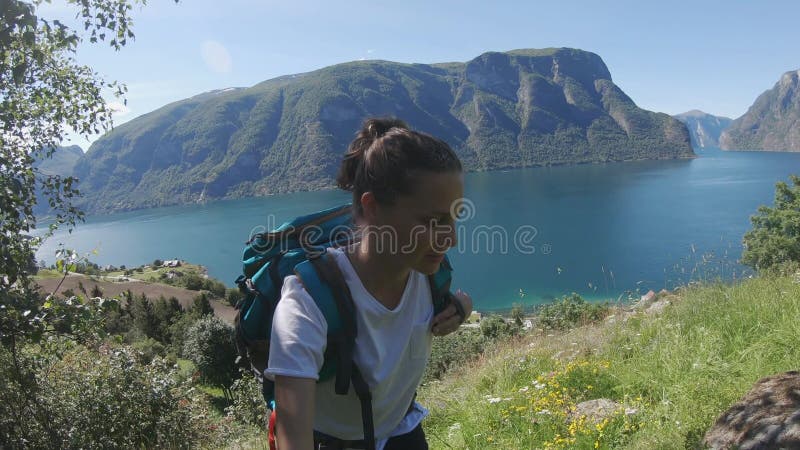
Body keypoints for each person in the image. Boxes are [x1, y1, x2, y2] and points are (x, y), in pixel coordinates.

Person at [266, 117, 473, 450]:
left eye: (453, 218)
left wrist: (461, 307)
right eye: (433, 221)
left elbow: (452, 301)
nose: (451, 238)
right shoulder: (307, 304)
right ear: (372, 207)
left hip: (402, 432)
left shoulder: (427, 272)